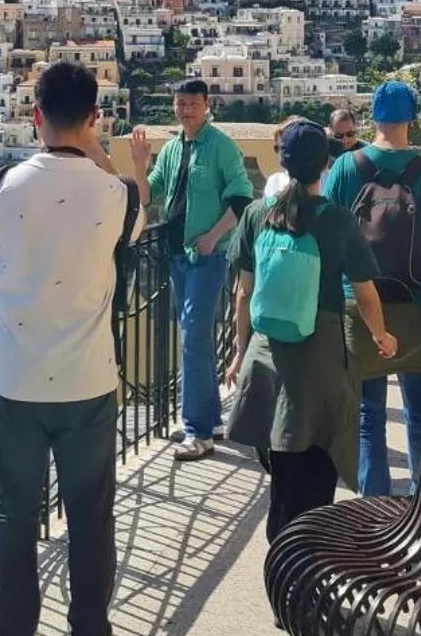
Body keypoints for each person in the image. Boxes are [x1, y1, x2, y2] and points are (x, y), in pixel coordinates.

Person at [0, 60, 142, 636]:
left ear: (33, 117)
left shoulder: (1, 189)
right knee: (90, 519)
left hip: (17, 383)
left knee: (15, 516)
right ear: (93, 120)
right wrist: (99, 148)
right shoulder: (118, 195)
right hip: (89, 382)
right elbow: (128, 214)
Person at [225, 121, 397, 540]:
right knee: (319, 461)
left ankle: (280, 550)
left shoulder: (256, 214)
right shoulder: (337, 220)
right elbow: (366, 294)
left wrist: (239, 351)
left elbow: (243, 295)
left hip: (268, 355)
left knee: (281, 468)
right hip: (319, 356)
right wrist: (381, 336)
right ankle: (304, 560)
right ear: (325, 165)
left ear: (281, 160)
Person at [324, 79, 421, 496]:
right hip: (415, 304)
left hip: (358, 307)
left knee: (368, 414)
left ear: (373, 118)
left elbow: (328, 243)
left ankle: (374, 506)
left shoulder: (347, 168)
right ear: (411, 117)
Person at [131, 78, 252, 461]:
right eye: (180, 103)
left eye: (192, 103)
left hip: (207, 257)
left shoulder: (220, 146)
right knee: (193, 337)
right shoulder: (170, 149)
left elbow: (241, 197)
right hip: (176, 255)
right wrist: (138, 164)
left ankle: (198, 432)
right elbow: (149, 195)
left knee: (193, 339)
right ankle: (211, 420)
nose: (185, 110)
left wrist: (213, 236)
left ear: (206, 104)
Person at [264, 117, 313, 201]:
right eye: (277, 148)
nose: (281, 153)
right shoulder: (273, 181)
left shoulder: (325, 179)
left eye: (286, 148)